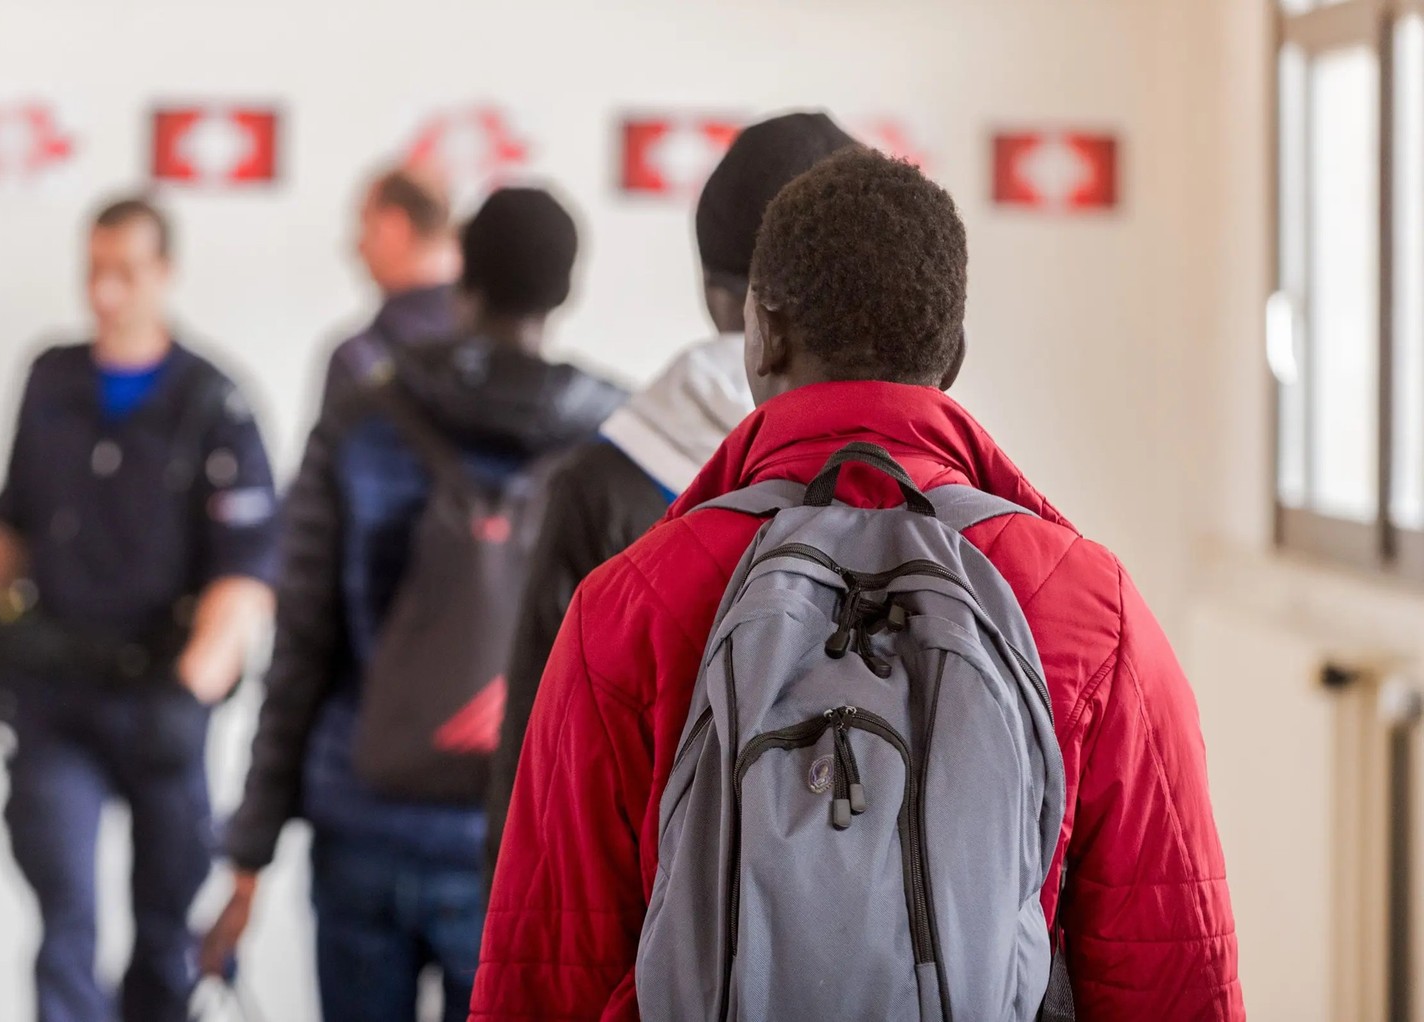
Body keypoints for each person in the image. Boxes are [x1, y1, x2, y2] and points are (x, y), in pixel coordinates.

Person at [473, 149, 1244, 1020]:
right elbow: (1173, 975)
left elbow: (546, 975)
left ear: (759, 336)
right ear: (953, 352)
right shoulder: (1087, 609)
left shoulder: (630, 606)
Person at [202, 186, 625, 1022]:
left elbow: (303, 648)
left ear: (464, 279)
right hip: (521, 854)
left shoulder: (362, 422)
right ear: (565, 292)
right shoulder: (615, 443)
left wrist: (248, 851)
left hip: (364, 825)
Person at [484, 112, 856, 882]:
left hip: (656, 947)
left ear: (716, 293)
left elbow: (540, 779)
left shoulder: (605, 479)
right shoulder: (935, 492)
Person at [0, 197, 278, 1022]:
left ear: (165, 274)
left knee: (160, 929)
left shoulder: (215, 401)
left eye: (125, 273)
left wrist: (191, 692)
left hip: (159, 699)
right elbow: (12, 523)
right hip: (57, 696)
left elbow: (247, 574)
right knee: (65, 912)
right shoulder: (51, 378)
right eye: (94, 270)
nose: (104, 293)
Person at [320, 166, 460, 412]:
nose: (357, 247)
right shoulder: (500, 348)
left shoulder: (357, 359)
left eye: (365, 225)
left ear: (393, 228)